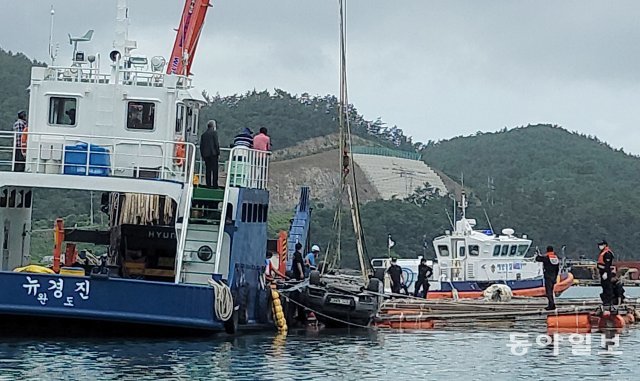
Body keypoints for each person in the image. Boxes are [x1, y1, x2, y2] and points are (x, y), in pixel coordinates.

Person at [535, 246, 560, 310]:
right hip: (554, 276)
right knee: (551, 291)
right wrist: (555, 277)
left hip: (548, 276)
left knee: (548, 292)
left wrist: (538, 254)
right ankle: (552, 304)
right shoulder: (555, 258)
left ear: (547, 250)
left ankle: (551, 305)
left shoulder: (546, 258)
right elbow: (557, 269)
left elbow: (537, 259)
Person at [200, 120, 220, 188]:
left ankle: (208, 184)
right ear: (213, 126)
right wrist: (218, 152)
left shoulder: (203, 135)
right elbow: (216, 144)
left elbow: (201, 145)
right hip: (213, 154)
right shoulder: (214, 133)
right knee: (215, 170)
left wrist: (202, 154)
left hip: (206, 154)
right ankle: (215, 184)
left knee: (208, 169)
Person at [597, 240, 615, 305]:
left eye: (601, 245)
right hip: (602, 272)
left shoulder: (607, 254)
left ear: (605, 245)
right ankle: (605, 301)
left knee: (607, 287)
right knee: (604, 286)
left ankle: (609, 301)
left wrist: (606, 273)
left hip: (606, 273)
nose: (599, 246)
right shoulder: (602, 253)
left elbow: (607, 264)